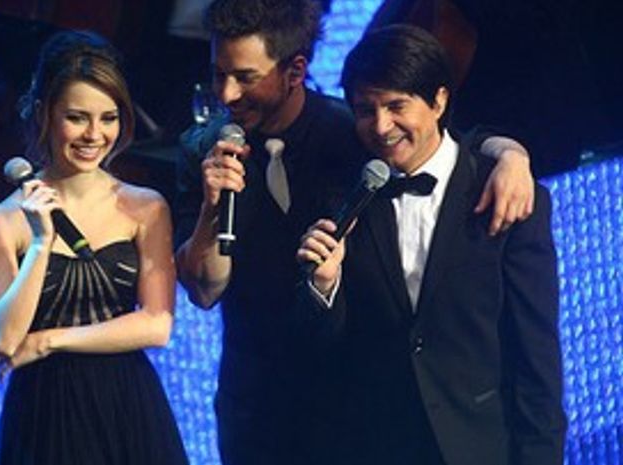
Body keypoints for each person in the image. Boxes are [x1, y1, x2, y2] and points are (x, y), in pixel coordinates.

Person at [175, 0, 536, 463]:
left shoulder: (354, 133)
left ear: (295, 70)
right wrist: (212, 207)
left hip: (353, 405)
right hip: (255, 407)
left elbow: (438, 144)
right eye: (218, 74)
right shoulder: (203, 152)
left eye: (246, 77)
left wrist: (510, 154)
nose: (226, 94)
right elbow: (204, 291)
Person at [297, 24, 566, 465]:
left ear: (439, 101)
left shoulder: (507, 193)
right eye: (365, 110)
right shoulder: (343, 196)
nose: (381, 126)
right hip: (381, 446)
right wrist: (323, 288)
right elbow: (326, 349)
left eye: (396, 106)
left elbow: (537, 359)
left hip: (483, 444)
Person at [0, 30, 188, 465]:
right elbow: (6, 339)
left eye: (108, 118)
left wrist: (49, 341)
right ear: (44, 113)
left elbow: (156, 325)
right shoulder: (1, 223)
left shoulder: (147, 207)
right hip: (44, 411)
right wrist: (41, 243)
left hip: (127, 404)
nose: (94, 134)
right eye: (77, 118)